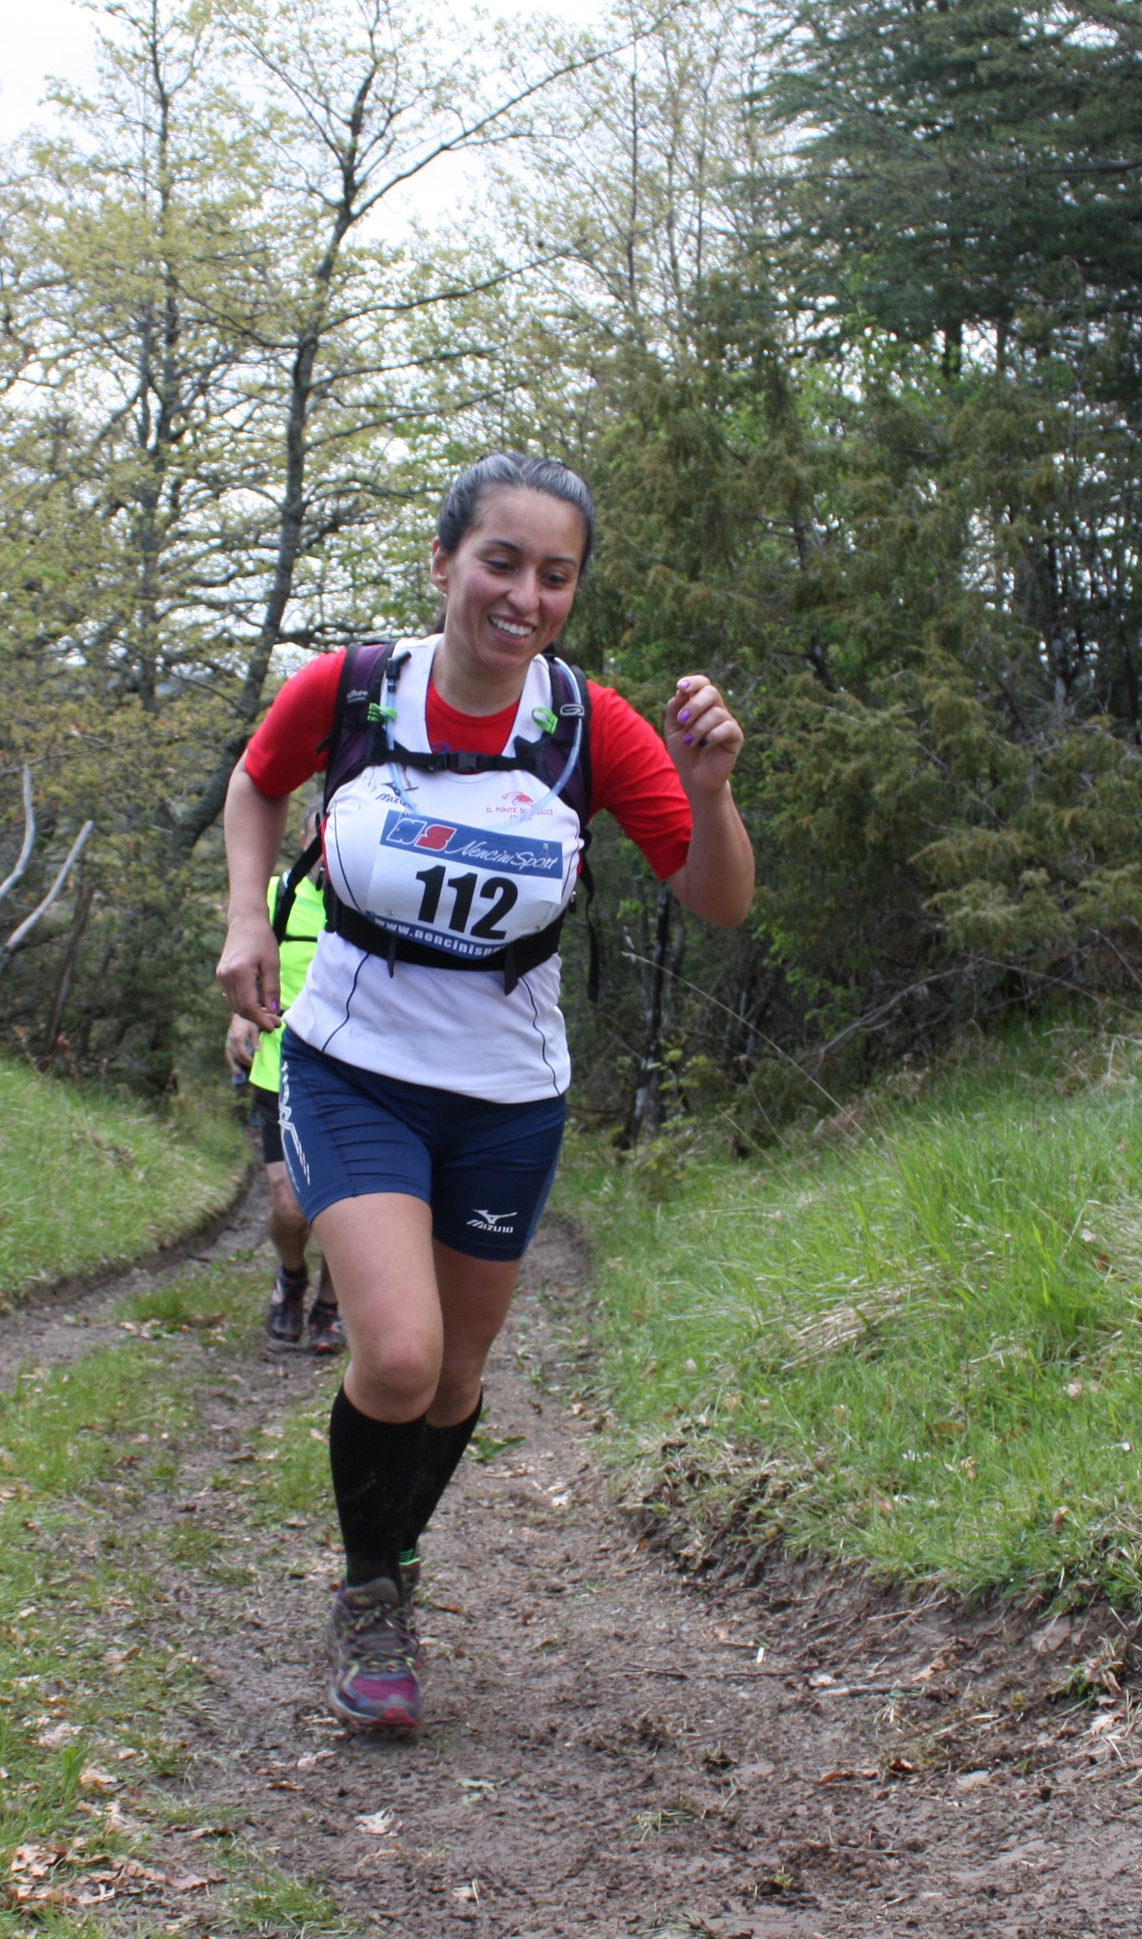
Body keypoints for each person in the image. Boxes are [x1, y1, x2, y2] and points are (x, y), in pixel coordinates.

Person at [215, 452, 753, 1733]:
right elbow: (256, 779)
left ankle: (394, 1553)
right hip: (354, 1064)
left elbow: (720, 901)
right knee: (394, 1357)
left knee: (455, 1380)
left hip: (507, 1094)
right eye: (500, 562)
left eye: (553, 575)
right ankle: (369, 1597)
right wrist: (246, 918)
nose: (523, 595)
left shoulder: (586, 727)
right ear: (445, 562)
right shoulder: (351, 688)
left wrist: (712, 789)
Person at [225, 813, 341, 1352]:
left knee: (348, 1210)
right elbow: (245, 963)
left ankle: (330, 1306)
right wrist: (240, 1015)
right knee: (291, 1206)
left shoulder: (385, 904)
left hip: (359, 1077)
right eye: (321, 830)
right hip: (282, 1069)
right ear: (305, 838)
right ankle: (292, 1276)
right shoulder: (280, 894)